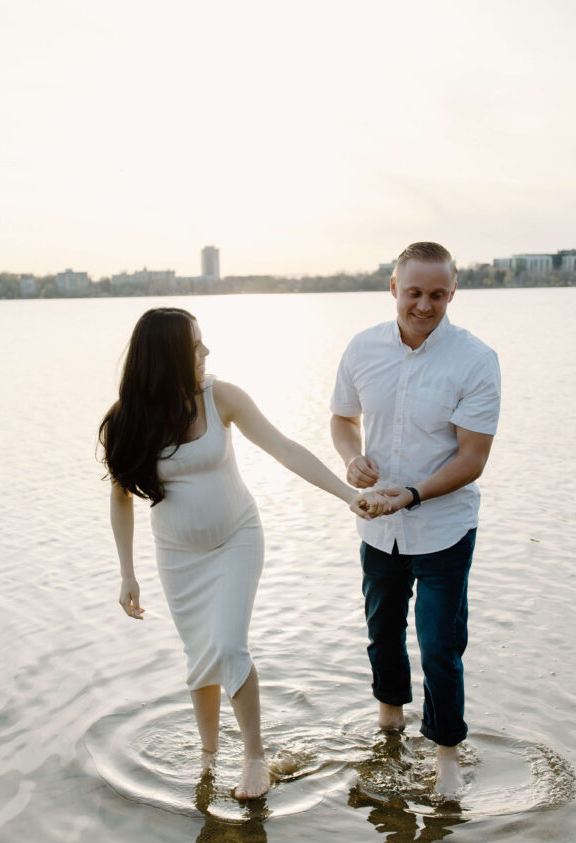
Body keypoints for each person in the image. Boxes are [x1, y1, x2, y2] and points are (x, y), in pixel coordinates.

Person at [99, 308, 387, 801]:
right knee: (199, 657)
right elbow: (121, 496)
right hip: (176, 555)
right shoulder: (126, 420)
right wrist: (127, 573)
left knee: (229, 646)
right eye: (195, 345)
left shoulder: (221, 397)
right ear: (167, 356)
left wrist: (347, 496)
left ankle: (255, 758)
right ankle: (209, 757)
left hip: (237, 538)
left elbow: (283, 448)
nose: (206, 353)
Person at [330, 242, 501, 799]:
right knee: (382, 635)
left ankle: (447, 759)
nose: (424, 305)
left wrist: (412, 494)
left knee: (439, 644)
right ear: (393, 289)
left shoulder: (475, 359)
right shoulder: (362, 347)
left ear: (452, 292)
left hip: (444, 528)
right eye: (414, 293)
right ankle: (389, 727)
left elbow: (472, 459)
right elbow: (341, 419)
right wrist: (351, 457)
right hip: (378, 527)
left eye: (437, 294)